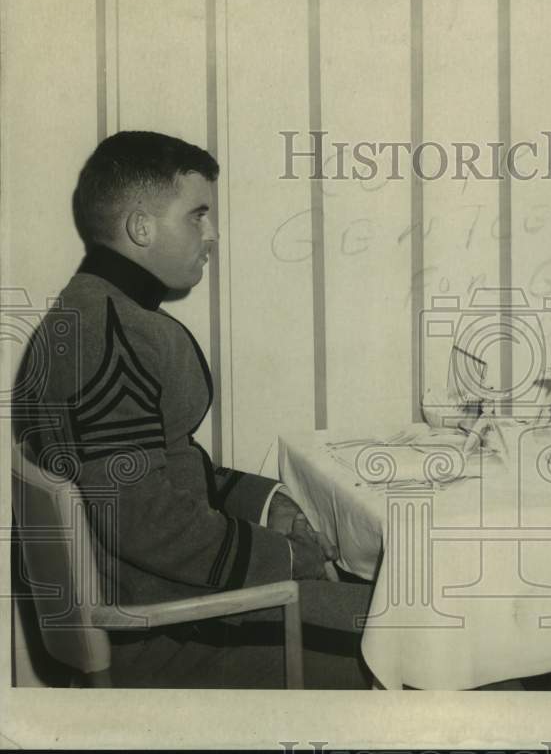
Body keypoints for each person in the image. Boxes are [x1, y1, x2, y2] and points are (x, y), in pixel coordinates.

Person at [13, 131, 370, 688]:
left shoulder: (96, 311)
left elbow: (160, 468)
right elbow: (141, 520)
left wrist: (265, 502)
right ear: (141, 227)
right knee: (421, 635)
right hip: (175, 635)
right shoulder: (109, 333)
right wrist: (285, 556)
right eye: (197, 215)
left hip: (172, 607)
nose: (212, 233)